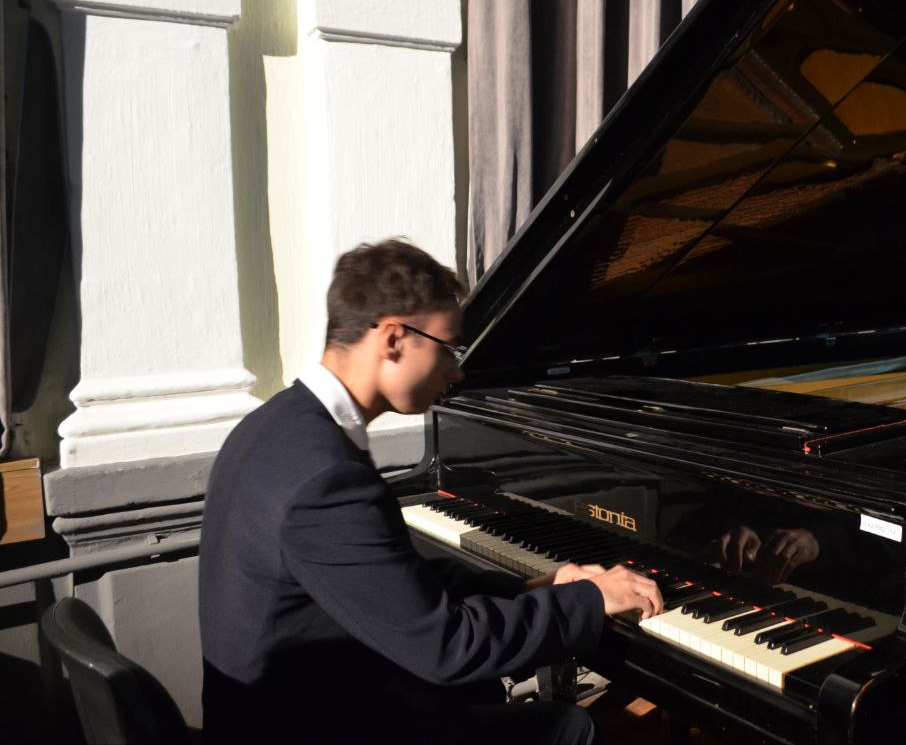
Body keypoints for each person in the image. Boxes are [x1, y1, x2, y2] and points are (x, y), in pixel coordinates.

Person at [199, 239, 662, 744]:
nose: (457, 371)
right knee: (567, 727)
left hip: (292, 704)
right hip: (309, 725)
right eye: (448, 348)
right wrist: (588, 600)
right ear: (394, 338)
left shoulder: (277, 425)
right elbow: (448, 648)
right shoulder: (326, 477)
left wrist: (530, 589)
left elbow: (387, 581)